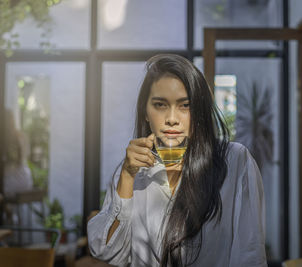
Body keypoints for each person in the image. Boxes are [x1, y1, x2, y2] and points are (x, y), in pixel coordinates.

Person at [88, 54, 267, 267]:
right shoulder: (132, 171)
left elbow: (249, 255)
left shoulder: (234, 161)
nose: (172, 118)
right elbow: (107, 253)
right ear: (146, 112)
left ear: (199, 111)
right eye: (160, 105)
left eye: (185, 105)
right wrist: (127, 177)